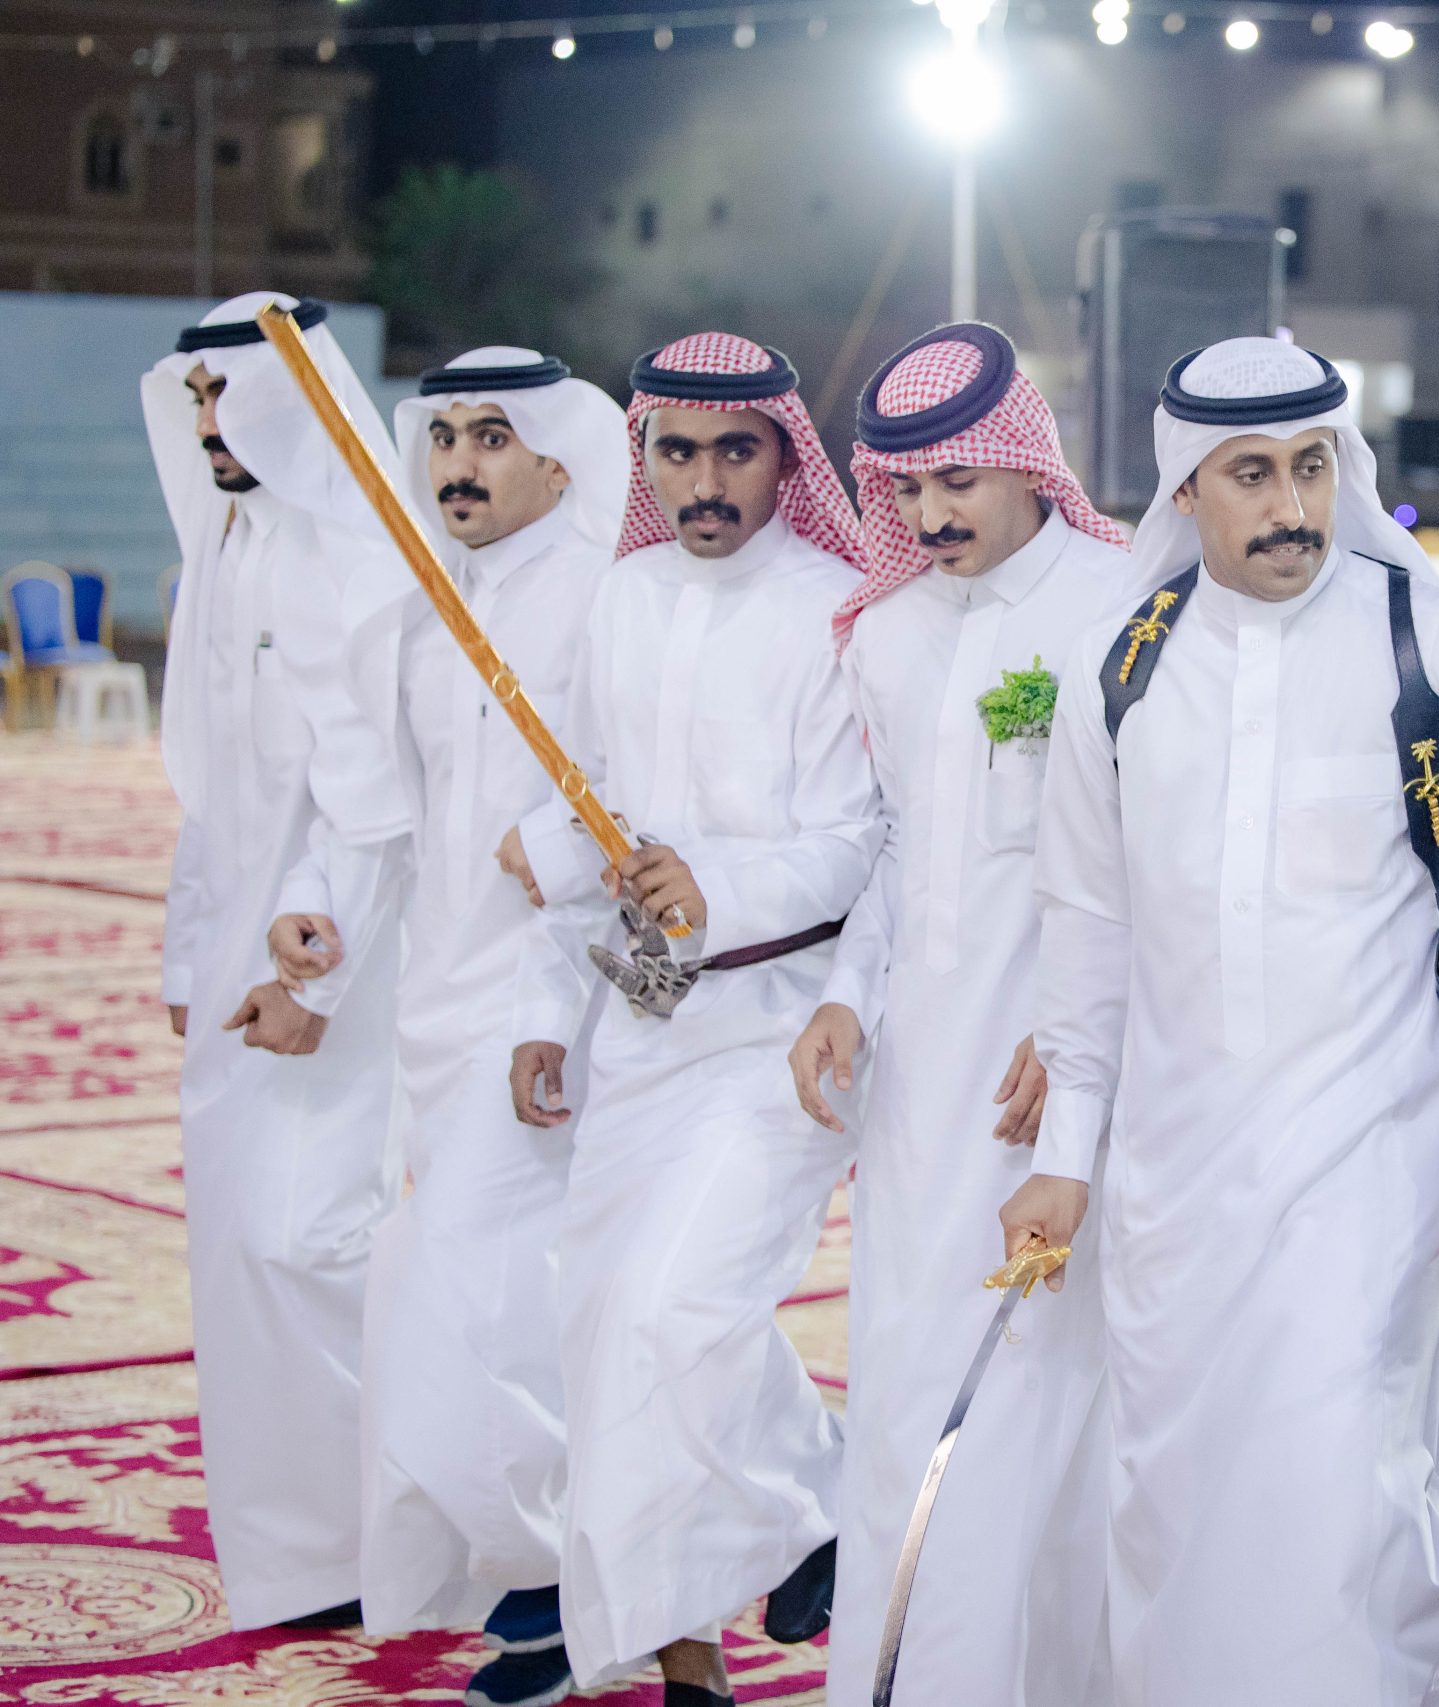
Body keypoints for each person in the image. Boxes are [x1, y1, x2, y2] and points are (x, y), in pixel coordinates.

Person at [1011, 336, 1439, 1703]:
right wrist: (1065, 1154)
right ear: (1185, 490)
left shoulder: (1432, 644)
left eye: (1312, 466)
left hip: (1376, 1156)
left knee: (1337, 1478)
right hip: (1173, 1174)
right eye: (1250, 474)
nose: (1290, 504)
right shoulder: (1121, 665)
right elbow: (1087, 925)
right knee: (1174, 1487)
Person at [497, 333, 884, 1704]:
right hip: (641, 1016)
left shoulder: (838, 609)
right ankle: (686, 1654)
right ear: (645, 460)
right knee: (609, 1324)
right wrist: (548, 1001)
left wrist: (721, 886)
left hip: (788, 1022)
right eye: (678, 451)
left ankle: (815, 1497)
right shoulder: (624, 598)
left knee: (680, 1307)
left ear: (784, 455)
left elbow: (864, 840)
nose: (707, 480)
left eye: (737, 450)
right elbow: (599, 803)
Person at [265, 346, 625, 1705]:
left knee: (456, 1296)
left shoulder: (607, 600)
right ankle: (574, 1579)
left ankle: (554, 1576)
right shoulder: (423, 610)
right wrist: (314, 921)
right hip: (439, 1002)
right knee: (498, 1300)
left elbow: (659, 787)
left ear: (558, 461)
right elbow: (381, 811)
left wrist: (567, 866)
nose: (459, 464)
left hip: (562, 1001)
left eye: (492, 436)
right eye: (446, 436)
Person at [783, 322, 1132, 1705]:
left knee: (1043, 1398)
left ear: (1027, 462)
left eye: (955, 482)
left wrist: (1082, 1030)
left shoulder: (1119, 606)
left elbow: (1149, 860)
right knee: (902, 1385)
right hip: (921, 1089)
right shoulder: (889, 631)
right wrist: (840, 996)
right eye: (907, 488)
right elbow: (894, 845)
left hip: (1061, 1080)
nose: (929, 515)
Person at [139, 291, 408, 1632]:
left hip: (338, 958)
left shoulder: (344, 552)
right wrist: (190, 954)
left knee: (304, 1238)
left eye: (230, 396)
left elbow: (374, 798)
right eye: (195, 399)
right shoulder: (228, 540)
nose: (211, 422)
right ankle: (308, 1558)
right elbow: (210, 793)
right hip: (240, 970)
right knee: (242, 1251)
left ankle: (397, 1530)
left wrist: (316, 983)